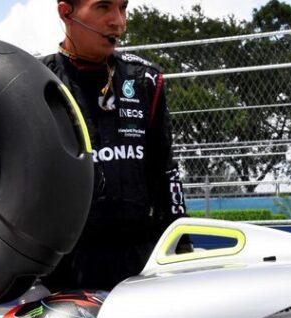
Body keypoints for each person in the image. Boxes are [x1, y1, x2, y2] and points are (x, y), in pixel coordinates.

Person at [42, 0, 185, 291]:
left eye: (123, 8)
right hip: (63, 268)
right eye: (103, 7)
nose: (118, 21)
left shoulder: (144, 79)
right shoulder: (35, 82)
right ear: (65, 12)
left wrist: (182, 249)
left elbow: (165, 173)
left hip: (137, 262)